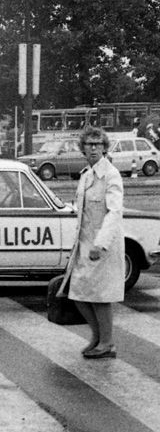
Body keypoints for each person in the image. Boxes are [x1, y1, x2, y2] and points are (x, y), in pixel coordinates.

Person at [67, 125, 125, 359]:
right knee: (78, 293)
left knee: (100, 297)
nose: (93, 149)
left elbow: (115, 212)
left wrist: (100, 244)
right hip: (84, 244)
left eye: (97, 145)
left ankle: (107, 343)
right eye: (89, 144)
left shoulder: (111, 175)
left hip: (102, 245)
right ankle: (97, 336)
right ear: (82, 148)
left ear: (104, 148)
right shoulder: (86, 175)